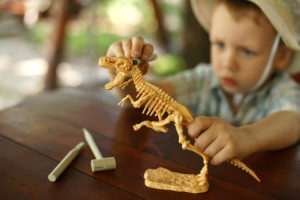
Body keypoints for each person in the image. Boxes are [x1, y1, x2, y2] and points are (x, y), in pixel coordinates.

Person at [104, 0, 300, 165]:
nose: (228, 63)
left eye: (247, 51)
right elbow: (139, 98)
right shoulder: (203, 80)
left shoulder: (282, 89)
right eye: (220, 44)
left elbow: (293, 120)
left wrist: (248, 137)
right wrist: (122, 75)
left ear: (281, 56)